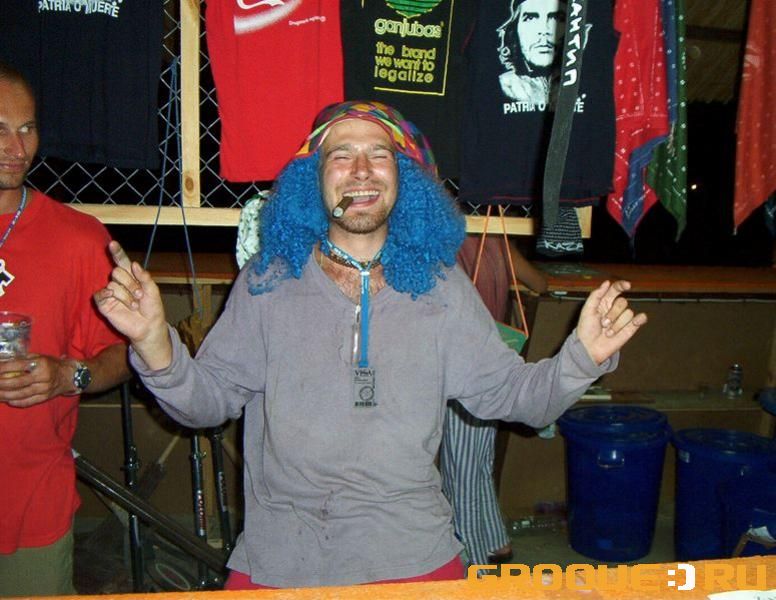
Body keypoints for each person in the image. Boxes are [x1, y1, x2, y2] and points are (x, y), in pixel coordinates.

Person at [94, 100, 647, 589]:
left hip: (415, 552)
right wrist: (154, 342)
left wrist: (582, 357)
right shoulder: (268, 280)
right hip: (283, 559)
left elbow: (517, 398)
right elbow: (206, 403)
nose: (361, 170)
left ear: (404, 178)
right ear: (314, 180)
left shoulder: (441, 285)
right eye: (341, 155)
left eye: (379, 155)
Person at [0, 61, 130, 596]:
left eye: (27, 128)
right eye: (0, 129)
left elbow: (126, 354)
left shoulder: (78, 239)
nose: (16, 147)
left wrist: (65, 376)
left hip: (31, 508)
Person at [441, 235, 547, 568]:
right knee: (478, 465)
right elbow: (540, 284)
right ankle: (497, 543)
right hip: (497, 361)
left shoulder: (443, 242)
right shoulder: (498, 240)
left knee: (460, 474)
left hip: (464, 366)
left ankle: (475, 566)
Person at [498, 0, 567, 106]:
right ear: (514, 30)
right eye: (530, 18)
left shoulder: (587, 81)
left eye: (556, 18)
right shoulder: (507, 84)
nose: (544, 30)